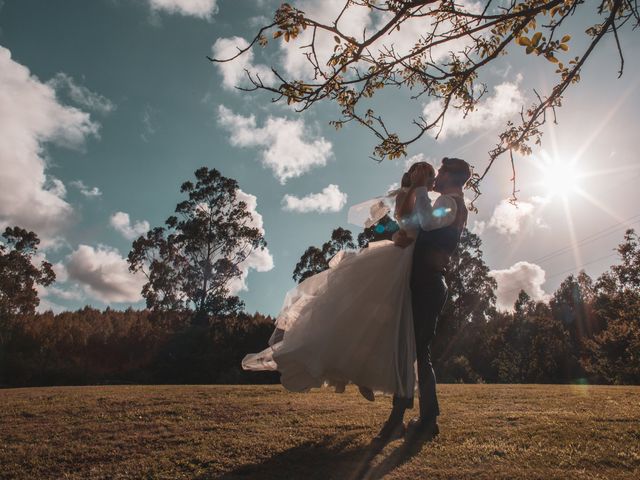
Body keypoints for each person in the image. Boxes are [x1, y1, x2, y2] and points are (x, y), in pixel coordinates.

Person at [241, 165, 435, 401]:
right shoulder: (409, 193)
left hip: (406, 257)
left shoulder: (417, 194)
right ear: (420, 175)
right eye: (430, 176)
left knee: (379, 325)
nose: (432, 181)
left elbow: (410, 226)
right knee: (361, 317)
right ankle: (355, 374)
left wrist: (400, 233)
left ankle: (362, 373)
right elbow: (407, 217)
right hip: (398, 259)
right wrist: (417, 189)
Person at [374, 157, 470, 443]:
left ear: (452, 177)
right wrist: (403, 237)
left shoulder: (451, 203)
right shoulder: (444, 202)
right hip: (422, 281)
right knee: (413, 349)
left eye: (440, 173)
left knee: (414, 348)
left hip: (429, 284)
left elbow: (427, 223)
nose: (435, 178)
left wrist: (420, 189)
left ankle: (408, 420)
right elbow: (419, 227)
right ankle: (421, 419)